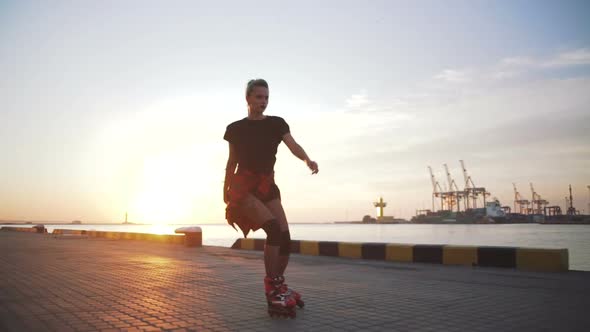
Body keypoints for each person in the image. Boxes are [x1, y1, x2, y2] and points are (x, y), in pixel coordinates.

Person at [223, 79, 319, 318]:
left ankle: (279, 285)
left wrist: (307, 159)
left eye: (266, 98)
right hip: (244, 186)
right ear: (248, 99)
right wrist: (226, 191)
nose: (263, 102)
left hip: (267, 185)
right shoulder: (235, 128)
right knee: (273, 230)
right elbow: (231, 161)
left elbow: (292, 145)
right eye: (258, 97)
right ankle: (272, 290)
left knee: (285, 237)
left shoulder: (277, 124)